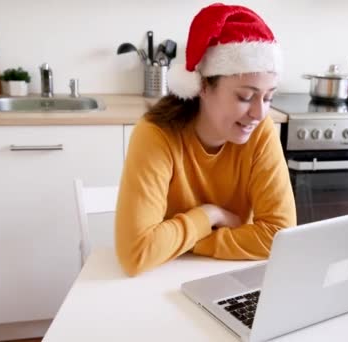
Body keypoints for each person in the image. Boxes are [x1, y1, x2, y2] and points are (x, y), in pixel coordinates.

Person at [115, 3, 296, 276]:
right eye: (245, 97)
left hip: (230, 275)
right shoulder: (156, 134)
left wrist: (186, 241)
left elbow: (280, 237)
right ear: (202, 86)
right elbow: (136, 253)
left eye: (269, 97)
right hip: (162, 277)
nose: (259, 113)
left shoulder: (261, 131)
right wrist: (211, 215)